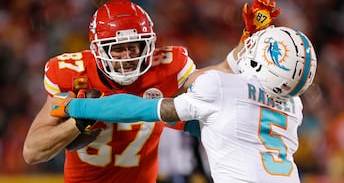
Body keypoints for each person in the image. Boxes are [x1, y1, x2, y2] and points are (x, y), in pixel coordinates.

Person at [23, 0, 280, 182]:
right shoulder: (73, 74)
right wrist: (77, 123)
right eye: (118, 48)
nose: (127, 56)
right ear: (98, 50)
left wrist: (247, 42)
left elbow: (220, 75)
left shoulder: (166, 68)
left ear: (148, 45)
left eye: (134, 46)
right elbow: (32, 152)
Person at [51, 25, 318, 183]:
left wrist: (75, 108)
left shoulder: (220, 87)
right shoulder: (294, 107)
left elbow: (143, 108)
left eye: (254, 47)